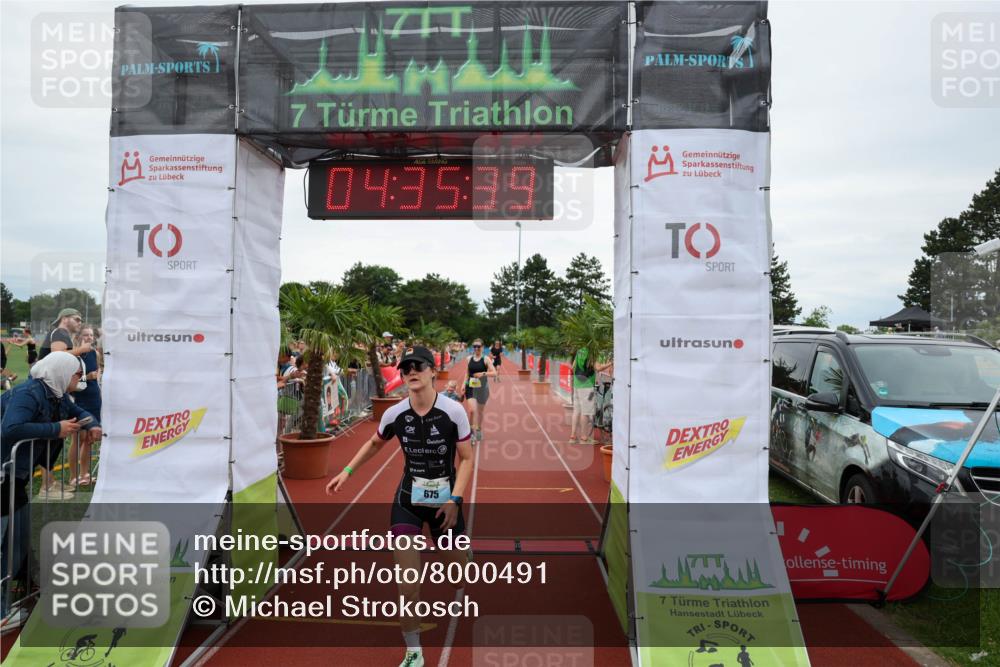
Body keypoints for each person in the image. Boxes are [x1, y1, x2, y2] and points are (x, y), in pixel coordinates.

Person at [326, 346, 473, 667]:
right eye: (405, 369)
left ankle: (463, 553)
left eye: (418, 366)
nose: (411, 372)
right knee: (408, 583)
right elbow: (375, 442)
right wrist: (347, 471)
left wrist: (455, 500)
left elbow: (467, 459)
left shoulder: (453, 412)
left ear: (434, 371)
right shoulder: (395, 414)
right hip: (407, 501)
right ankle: (414, 651)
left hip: (445, 503)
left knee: (459, 577)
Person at [1, 352, 102, 614]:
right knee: (8, 540)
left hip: (15, 476)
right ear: (61, 371)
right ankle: (7, 603)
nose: (81, 379)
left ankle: (21, 594)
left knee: (19, 538)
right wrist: (55, 429)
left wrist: (93, 425)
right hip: (4, 472)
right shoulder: (28, 393)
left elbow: (77, 411)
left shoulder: (56, 395)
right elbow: (11, 428)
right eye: (77, 374)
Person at [69, 325, 102, 487]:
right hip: (79, 399)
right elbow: (69, 382)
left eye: (91, 335)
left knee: (89, 439)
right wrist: (87, 377)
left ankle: (85, 474)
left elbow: (98, 376)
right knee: (77, 438)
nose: (89, 338)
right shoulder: (74, 355)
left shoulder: (95, 354)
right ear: (78, 337)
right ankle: (73, 476)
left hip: (94, 398)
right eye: (86, 335)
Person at [568, 347, 613, 445]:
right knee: (586, 412)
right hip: (587, 386)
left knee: (577, 411)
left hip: (577, 384)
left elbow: (573, 366)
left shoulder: (579, 350)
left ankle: (573, 436)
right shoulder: (590, 352)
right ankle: (584, 438)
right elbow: (598, 367)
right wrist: (610, 363)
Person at [459, 339, 496, 445]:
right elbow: (467, 373)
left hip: (482, 389)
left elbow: (494, 373)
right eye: (474, 346)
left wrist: (483, 373)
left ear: (482, 347)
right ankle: (471, 433)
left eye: (478, 346)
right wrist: (463, 384)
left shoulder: (486, 359)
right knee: (471, 410)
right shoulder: (469, 358)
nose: (476, 348)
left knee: (480, 412)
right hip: (471, 387)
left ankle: (479, 429)